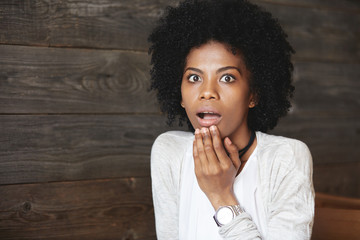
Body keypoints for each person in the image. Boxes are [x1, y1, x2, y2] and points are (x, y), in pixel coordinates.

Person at [148, 0, 315, 239]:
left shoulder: (286, 158)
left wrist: (220, 195)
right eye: (194, 78)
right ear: (180, 95)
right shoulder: (169, 152)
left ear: (253, 94)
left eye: (227, 78)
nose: (207, 92)